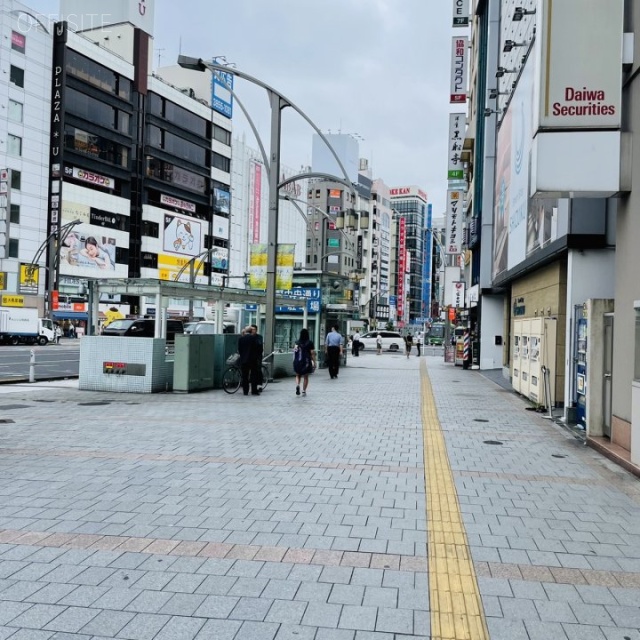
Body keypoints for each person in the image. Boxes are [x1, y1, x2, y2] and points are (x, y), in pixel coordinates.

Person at [293, 327, 316, 396]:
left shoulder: (297, 342)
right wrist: (314, 362)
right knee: (306, 376)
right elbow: (312, 353)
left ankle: (297, 385)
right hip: (306, 362)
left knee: (297, 375)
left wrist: (294, 360)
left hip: (297, 361)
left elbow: (295, 352)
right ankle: (303, 391)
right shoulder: (310, 342)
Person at [238, 325, 260, 396]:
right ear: (251, 331)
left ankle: (245, 391)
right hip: (253, 360)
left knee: (245, 376)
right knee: (253, 375)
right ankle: (254, 390)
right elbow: (257, 348)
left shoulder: (241, 339)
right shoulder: (253, 338)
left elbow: (239, 350)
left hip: (244, 360)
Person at [250, 324, 264, 391]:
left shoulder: (259, 337)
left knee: (258, 369)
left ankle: (259, 384)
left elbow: (259, 345)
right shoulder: (248, 337)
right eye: (251, 329)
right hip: (250, 356)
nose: (252, 331)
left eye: (254, 329)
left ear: (256, 330)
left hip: (258, 356)